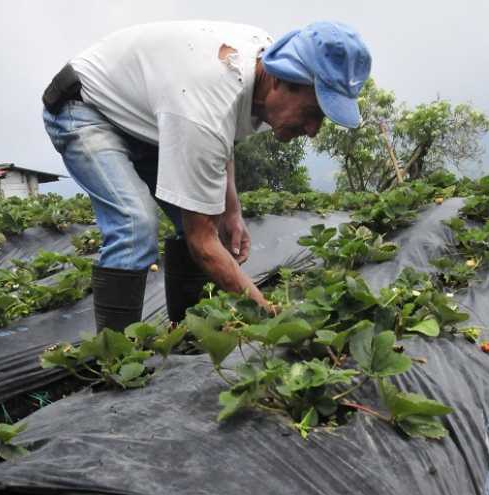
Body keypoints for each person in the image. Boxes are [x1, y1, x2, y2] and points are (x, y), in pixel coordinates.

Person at [42, 20, 371, 332]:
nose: (313, 130)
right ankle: (114, 358)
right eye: (312, 113)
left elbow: (221, 139)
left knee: (207, 218)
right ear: (279, 81)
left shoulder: (263, 65)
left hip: (154, 119)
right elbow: (203, 241)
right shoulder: (208, 103)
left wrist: (232, 210)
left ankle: (184, 331)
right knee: (135, 225)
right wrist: (270, 317)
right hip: (85, 107)